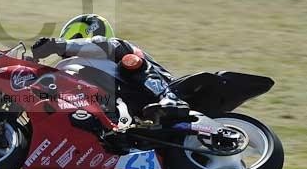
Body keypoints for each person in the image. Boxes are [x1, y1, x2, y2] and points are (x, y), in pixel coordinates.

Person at [30, 14, 189, 124]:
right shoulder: (87, 69)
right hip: (134, 107)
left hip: (172, 88)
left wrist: (58, 45)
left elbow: (102, 45)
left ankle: (170, 99)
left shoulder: (114, 46)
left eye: (76, 41)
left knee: (128, 62)